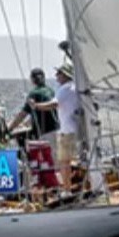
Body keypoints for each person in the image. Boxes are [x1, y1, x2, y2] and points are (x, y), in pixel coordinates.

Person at [31, 63, 80, 194]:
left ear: (65, 75)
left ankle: (67, 191)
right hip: (75, 129)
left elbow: (54, 104)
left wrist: (36, 106)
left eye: (59, 73)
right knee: (72, 160)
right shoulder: (75, 87)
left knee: (64, 162)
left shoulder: (64, 89)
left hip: (67, 131)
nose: (56, 75)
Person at [8, 68, 59, 147]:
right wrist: (27, 122)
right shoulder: (50, 91)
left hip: (45, 134)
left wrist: (9, 129)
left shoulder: (33, 94)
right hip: (56, 130)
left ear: (32, 80)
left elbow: (22, 115)